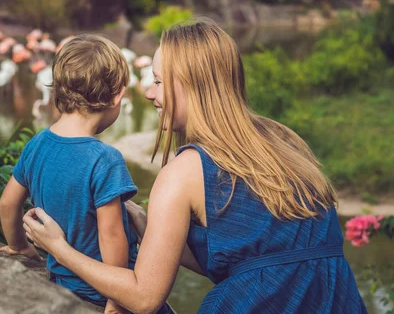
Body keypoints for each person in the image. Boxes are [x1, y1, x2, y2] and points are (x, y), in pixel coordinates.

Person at [22, 19, 368, 314]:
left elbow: (144, 298)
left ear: (192, 84)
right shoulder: (285, 140)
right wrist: (147, 225)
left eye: (158, 81)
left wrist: (59, 249)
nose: (147, 92)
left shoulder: (185, 171)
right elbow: (257, 261)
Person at [0, 35, 142, 313]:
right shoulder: (105, 159)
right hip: (99, 292)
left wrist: (19, 245)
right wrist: (117, 299)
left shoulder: (38, 143)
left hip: (61, 283)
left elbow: (8, 203)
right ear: (117, 95)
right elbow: (111, 235)